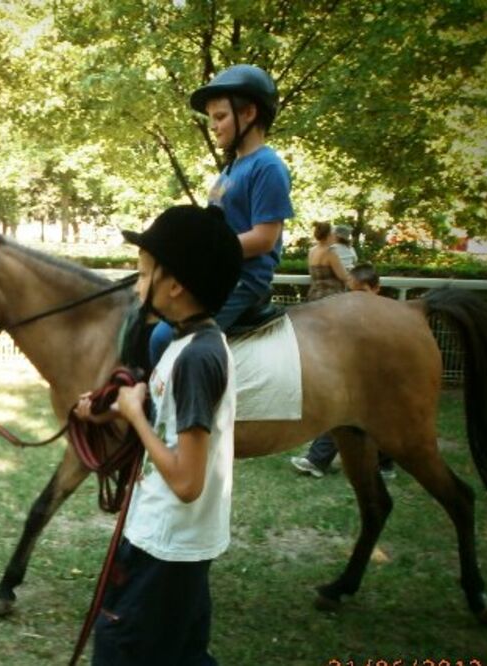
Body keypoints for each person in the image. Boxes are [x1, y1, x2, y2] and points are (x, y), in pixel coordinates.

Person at [76, 204, 242, 666]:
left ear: (175, 284)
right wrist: (110, 413)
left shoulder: (194, 359)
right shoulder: (191, 344)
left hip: (164, 544)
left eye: (144, 273)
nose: (137, 284)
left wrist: (135, 414)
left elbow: (188, 483)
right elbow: (171, 427)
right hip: (174, 543)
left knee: (118, 650)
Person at [149, 64, 294, 366]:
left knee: (165, 336)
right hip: (218, 273)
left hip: (245, 279)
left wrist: (206, 251)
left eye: (220, 117)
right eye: (212, 119)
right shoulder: (228, 170)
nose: (213, 126)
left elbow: (265, 238)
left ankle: (174, 409)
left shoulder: (268, 166)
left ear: (249, 114)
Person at [290, 263, 396, 479]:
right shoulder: (350, 315)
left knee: (359, 416)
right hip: (358, 378)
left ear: (377, 289)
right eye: (352, 292)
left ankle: (318, 460)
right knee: (352, 416)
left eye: (362, 292)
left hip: (378, 380)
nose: (356, 299)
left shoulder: (386, 314)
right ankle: (382, 464)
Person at [305, 221, 350, 301]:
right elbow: (343, 276)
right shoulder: (330, 253)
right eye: (333, 233)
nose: (335, 236)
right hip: (331, 297)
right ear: (329, 235)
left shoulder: (312, 251)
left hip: (314, 295)